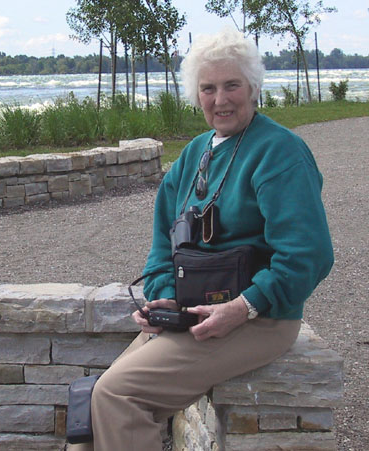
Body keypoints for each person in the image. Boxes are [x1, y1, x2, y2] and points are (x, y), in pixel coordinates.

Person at [67, 28, 334, 451]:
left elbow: (309, 254)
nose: (220, 99)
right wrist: (166, 296)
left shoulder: (280, 152)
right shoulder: (195, 154)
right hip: (195, 313)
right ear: (196, 94)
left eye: (232, 85)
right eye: (208, 88)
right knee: (91, 401)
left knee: (119, 395)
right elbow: (162, 245)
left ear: (253, 87)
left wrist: (243, 307)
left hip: (261, 319)